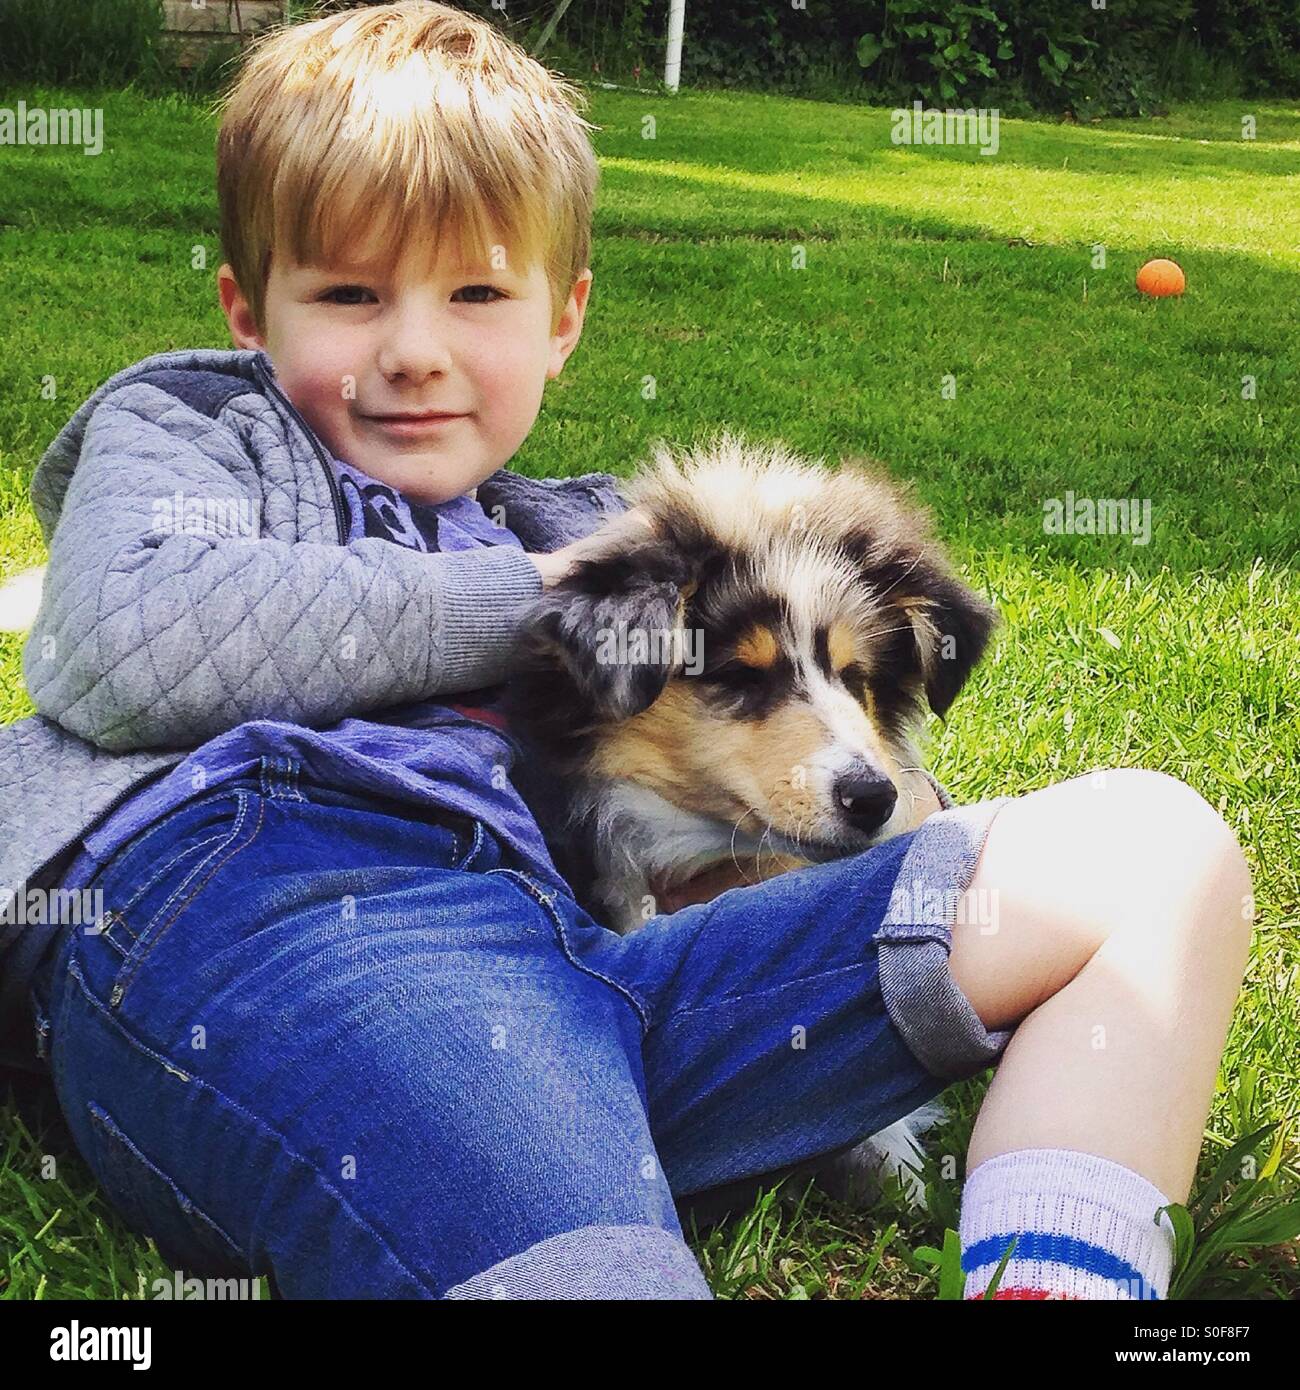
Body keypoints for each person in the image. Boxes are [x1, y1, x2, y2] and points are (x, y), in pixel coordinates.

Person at [1, 2, 1252, 1299]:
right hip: (293, 915)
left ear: (563, 318)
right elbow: (119, 639)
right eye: (350, 293)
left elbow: (746, 742)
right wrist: (551, 601)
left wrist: (879, 811)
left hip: (596, 978)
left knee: (1156, 856)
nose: (415, 349)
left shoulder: (595, 527)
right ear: (250, 309)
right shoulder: (203, 434)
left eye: (478, 291)